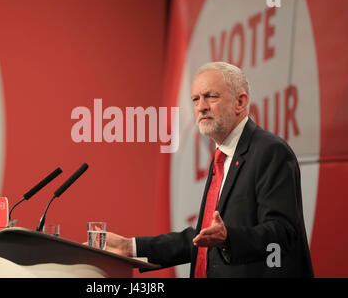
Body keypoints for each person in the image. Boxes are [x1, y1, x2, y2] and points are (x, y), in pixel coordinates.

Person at [106, 62, 314, 277]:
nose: (201, 106)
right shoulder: (222, 157)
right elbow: (203, 238)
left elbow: (283, 233)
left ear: (240, 102)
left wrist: (228, 239)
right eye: (195, 99)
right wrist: (130, 247)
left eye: (211, 96)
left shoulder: (269, 151)